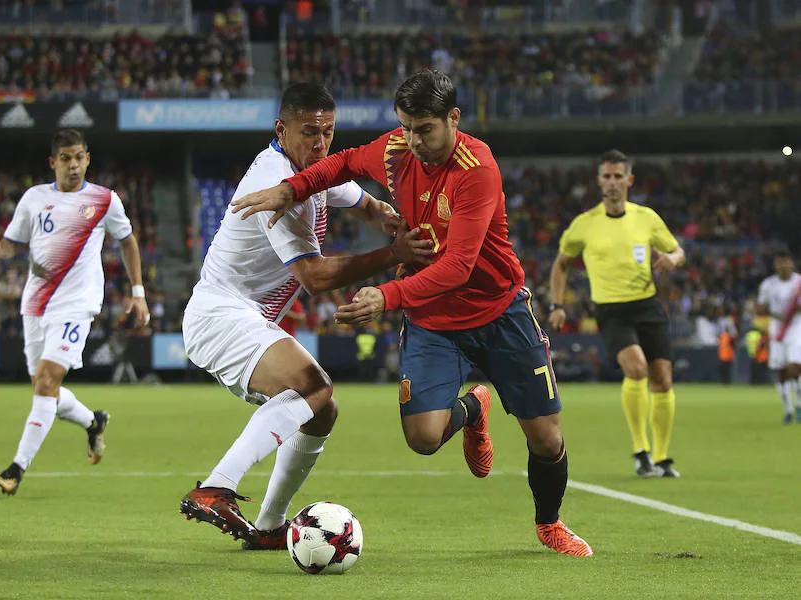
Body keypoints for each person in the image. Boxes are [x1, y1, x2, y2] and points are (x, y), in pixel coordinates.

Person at [230, 69, 593, 557]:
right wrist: (291, 189)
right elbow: (340, 165)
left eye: (425, 129)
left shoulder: (476, 168)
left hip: (498, 310)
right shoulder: (397, 151)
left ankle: (549, 523)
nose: (413, 141)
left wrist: (387, 295)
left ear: (453, 119)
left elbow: (459, 267)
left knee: (546, 440)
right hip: (432, 319)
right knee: (423, 438)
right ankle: (473, 407)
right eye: (405, 127)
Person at [178, 83, 433, 549]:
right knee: (314, 386)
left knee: (321, 413)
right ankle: (217, 486)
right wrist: (391, 253)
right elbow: (314, 277)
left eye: (328, 133)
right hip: (220, 313)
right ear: (282, 129)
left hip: (243, 316)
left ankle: (271, 527)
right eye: (309, 132)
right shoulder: (275, 184)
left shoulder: (313, 170)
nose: (320, 144)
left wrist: (389, 217)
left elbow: (364, 204)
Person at [0, 128, 150, 496]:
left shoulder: (104, 200)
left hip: (76, 305)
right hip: (35, 304)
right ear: (53, 162)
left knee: (45, 383)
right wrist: (0, 252)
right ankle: (94, 421)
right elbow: (14, 242)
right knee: (46, 390)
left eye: (79, 157)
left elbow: (128, 241)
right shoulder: (33, 198)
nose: (73, 165)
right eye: (66, 158)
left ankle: (15, 470)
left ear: (87, 159)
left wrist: (138, 293)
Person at [548, 150, 685, 479]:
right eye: (606, 177)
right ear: (599, 181)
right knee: (636, 368)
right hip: (611, 309)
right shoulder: (584, 224)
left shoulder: (646, 217)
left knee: (662, 380)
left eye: (617, 176)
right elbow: (561, 263)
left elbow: (677, 249)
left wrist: (673, 260)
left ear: (629, 180)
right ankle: (641, 451)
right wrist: (557, 304)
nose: (612, 182)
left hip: (648, 304)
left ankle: (663, 457)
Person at [757, 252, 801, 423]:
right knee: (781, 371)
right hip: (777, 329)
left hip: (797, 327)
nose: (783, 266)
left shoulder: (798, 283)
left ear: (792, 264)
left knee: (794, 367)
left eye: (786, 262)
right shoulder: (769, 284)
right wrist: (767, 310)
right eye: (780, 263)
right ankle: (788, 409)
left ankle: (799, 403)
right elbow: (761, 307)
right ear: (776, 265)